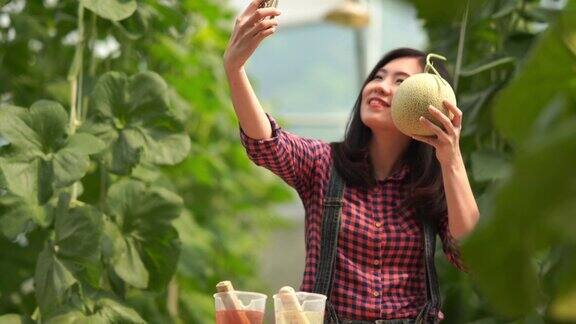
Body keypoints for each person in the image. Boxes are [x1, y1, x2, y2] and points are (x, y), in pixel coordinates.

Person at [223, 1, 480, 323]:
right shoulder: (323, 163)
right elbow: (266, 144)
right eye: (379, 76)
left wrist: (452, 158)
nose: (381, 86)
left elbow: (471, 255)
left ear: (431, 106)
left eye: (401, 82)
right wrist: (235, 69)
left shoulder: (437, 181)